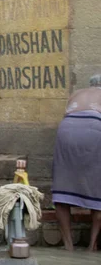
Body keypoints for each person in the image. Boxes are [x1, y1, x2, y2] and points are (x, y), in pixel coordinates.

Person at [52, 74, 101, 252]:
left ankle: (68, 245)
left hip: (67, 128)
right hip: (95, 127)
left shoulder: (77, 94)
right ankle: (92, 244)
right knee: (98, 187)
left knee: (63, 186)